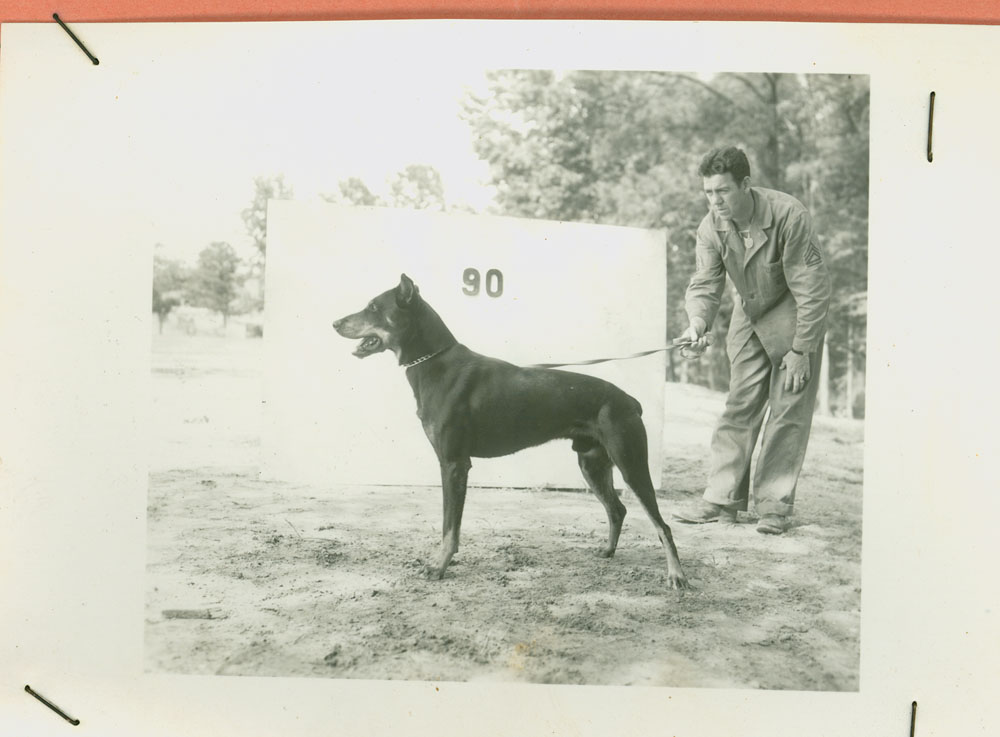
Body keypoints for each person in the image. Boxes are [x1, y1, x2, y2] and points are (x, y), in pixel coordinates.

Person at [673, 146, 831, 534]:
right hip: (750, 310)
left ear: (746, 184)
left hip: (795, 309)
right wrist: (696, 325)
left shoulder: (788, 214)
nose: (715, 201)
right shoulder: (710, 227)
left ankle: (774, 507)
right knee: (739, 403)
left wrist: (801, 349)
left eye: (723, 191)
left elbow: (812, 289)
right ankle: (722, 500)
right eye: (708, 192)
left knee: (787, 408)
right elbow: (706, 284)